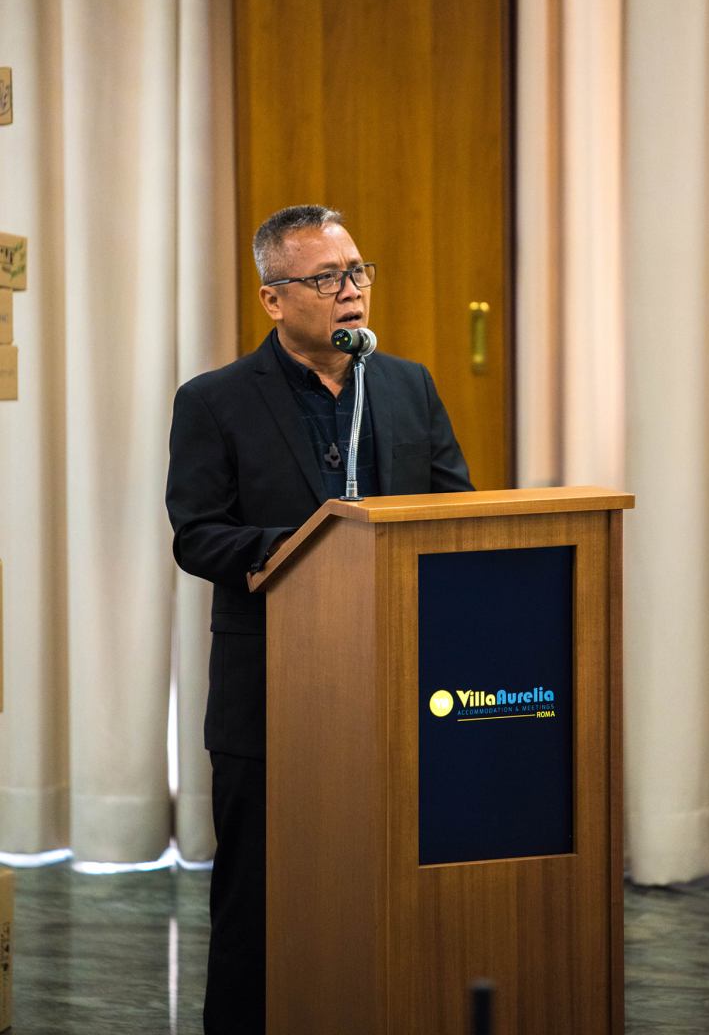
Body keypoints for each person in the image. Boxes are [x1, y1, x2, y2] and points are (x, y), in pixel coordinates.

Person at [165, 204, 471, 1034]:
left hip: (400, 684)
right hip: (272, 689)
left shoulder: (405, 384)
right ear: (273, 298)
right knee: (259, 899)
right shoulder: (215, 401)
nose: (350, 290)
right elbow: (197, 536)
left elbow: (454, 509)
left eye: (356, 271)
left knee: (384, 887)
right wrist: (313, 545)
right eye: (326, 277)